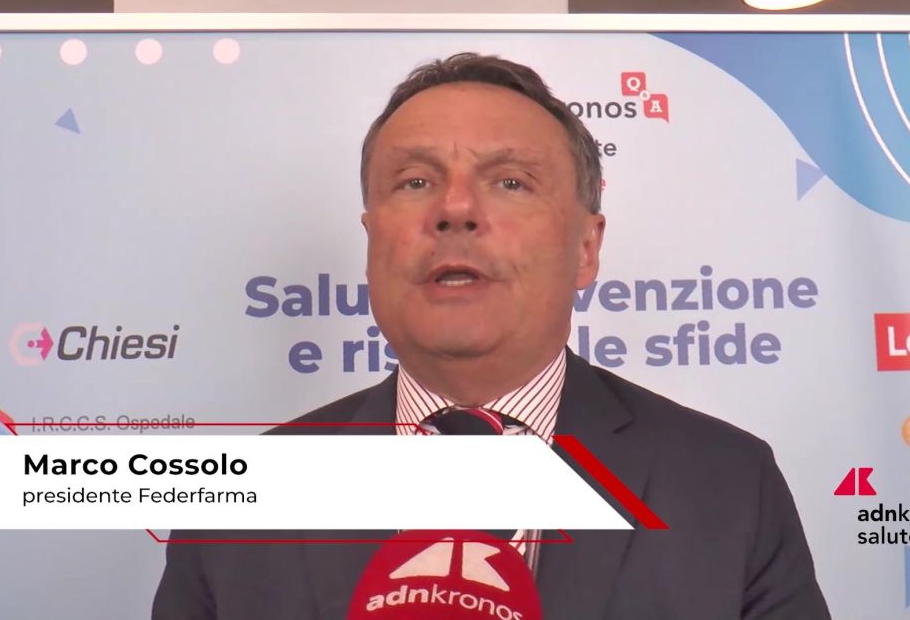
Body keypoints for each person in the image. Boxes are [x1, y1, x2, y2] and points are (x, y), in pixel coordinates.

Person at [153, 52, 831, 619]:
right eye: (415, 181)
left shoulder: (729, 483)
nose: (454, 209)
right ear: (372, 241)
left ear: (586, 248)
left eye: (510, 182)